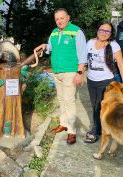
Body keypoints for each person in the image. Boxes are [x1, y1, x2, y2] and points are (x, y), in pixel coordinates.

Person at [34, 8, 87, 144]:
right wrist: (44, 46)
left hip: (70, 72)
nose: (59, 21)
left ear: (68, 17)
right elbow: (51, 48)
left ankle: (71, 131)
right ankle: (63, 123)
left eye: (62, 18)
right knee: (61, 99)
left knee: (69, 101)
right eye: (57, 19)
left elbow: (83, 54)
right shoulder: (54, 32)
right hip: (56, 72)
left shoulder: (76, 32)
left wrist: (80, 73)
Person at [84, 22, 123, 143]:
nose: (103, 32)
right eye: (101, 30)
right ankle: (99, 128)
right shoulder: (90, 43)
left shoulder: (114, 46)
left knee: (101, 106)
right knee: (94, 105)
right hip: (91, 80)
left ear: (111, 33)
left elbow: (120, 64)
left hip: (106, 81)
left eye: (107, 31)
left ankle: (98, 130)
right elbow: (83, 60)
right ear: (97, 31)